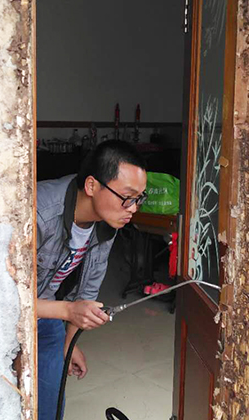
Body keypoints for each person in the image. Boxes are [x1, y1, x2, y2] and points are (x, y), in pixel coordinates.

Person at [35, 140, 147, 420]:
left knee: (50, 403)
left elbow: (87, 293)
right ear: (91, 186)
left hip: (46, 312)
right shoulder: (38, 212)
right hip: (5, 317)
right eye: (127, 197)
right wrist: (67, 311)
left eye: (139, 199)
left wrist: (68, 344)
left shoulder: (107, 224)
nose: (133, 208)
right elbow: (3, 299)